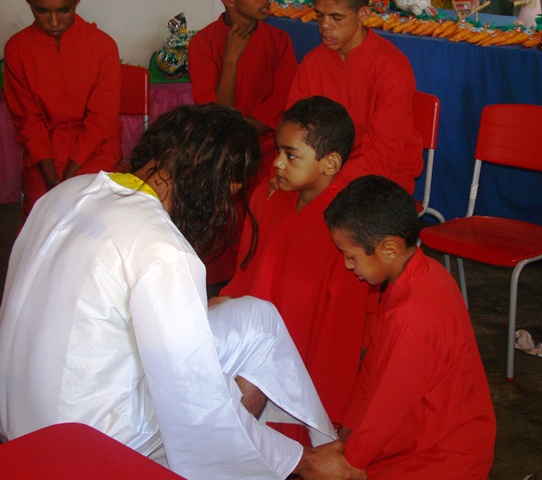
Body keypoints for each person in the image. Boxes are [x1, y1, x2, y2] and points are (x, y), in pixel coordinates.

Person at [0, 103, 366, 480]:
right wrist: (300, 461)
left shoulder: (70, 190)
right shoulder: (162, 247)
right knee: (220, 382)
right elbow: (196, 402)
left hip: (19, 414)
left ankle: (320, 444)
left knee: (257, 320)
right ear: (208, 185)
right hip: (89, 439)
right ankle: (308, 461)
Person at [324, 175, 497, 479]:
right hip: (421, 435)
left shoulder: (412, 319)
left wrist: (348, 463)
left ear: (389, 249)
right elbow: (371, 371)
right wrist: (344, 434)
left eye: (351, 256)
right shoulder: (414, 275)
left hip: (442, 458)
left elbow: (387, 410)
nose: (348, 266)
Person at [218, 96, 370, 441]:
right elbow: (246, 269)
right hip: (253, 340)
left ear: (330, 163)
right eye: (277, 151)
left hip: (305, 354)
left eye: (291, 155)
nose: (276, 163)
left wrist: (325, 411)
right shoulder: (267, 196)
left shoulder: (347, 227)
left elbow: (341, 329)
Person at [188, 0, 299, 286]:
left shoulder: (279, 41)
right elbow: (214, 116)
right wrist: (230, 59)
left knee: (268, 208)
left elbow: (281, 104)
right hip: (218, 149)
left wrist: (239, 132)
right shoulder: (202, 44)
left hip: (266, 146)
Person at [286, 0, 423, 195]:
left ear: (363, 14)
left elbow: (384, 154)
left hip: (382, 178)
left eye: (336, 18)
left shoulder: (392, 66)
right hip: (322, 171)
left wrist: (330, 186)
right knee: (268, 198)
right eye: (320, 16)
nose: (325, 25)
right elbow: (293, 132)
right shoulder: (311, 63)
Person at [3, 0, 121, 218]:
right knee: (42, 215)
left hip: (94, 148)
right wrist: (51, 178)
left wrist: (67, 178)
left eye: (64, 11)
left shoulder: (103, 46)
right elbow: (27, 120)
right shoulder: (17, 48)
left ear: (76, 2)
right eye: (42, 11)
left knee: (92, 213)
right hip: (43, 152)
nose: (54, 22)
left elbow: (101, 121)